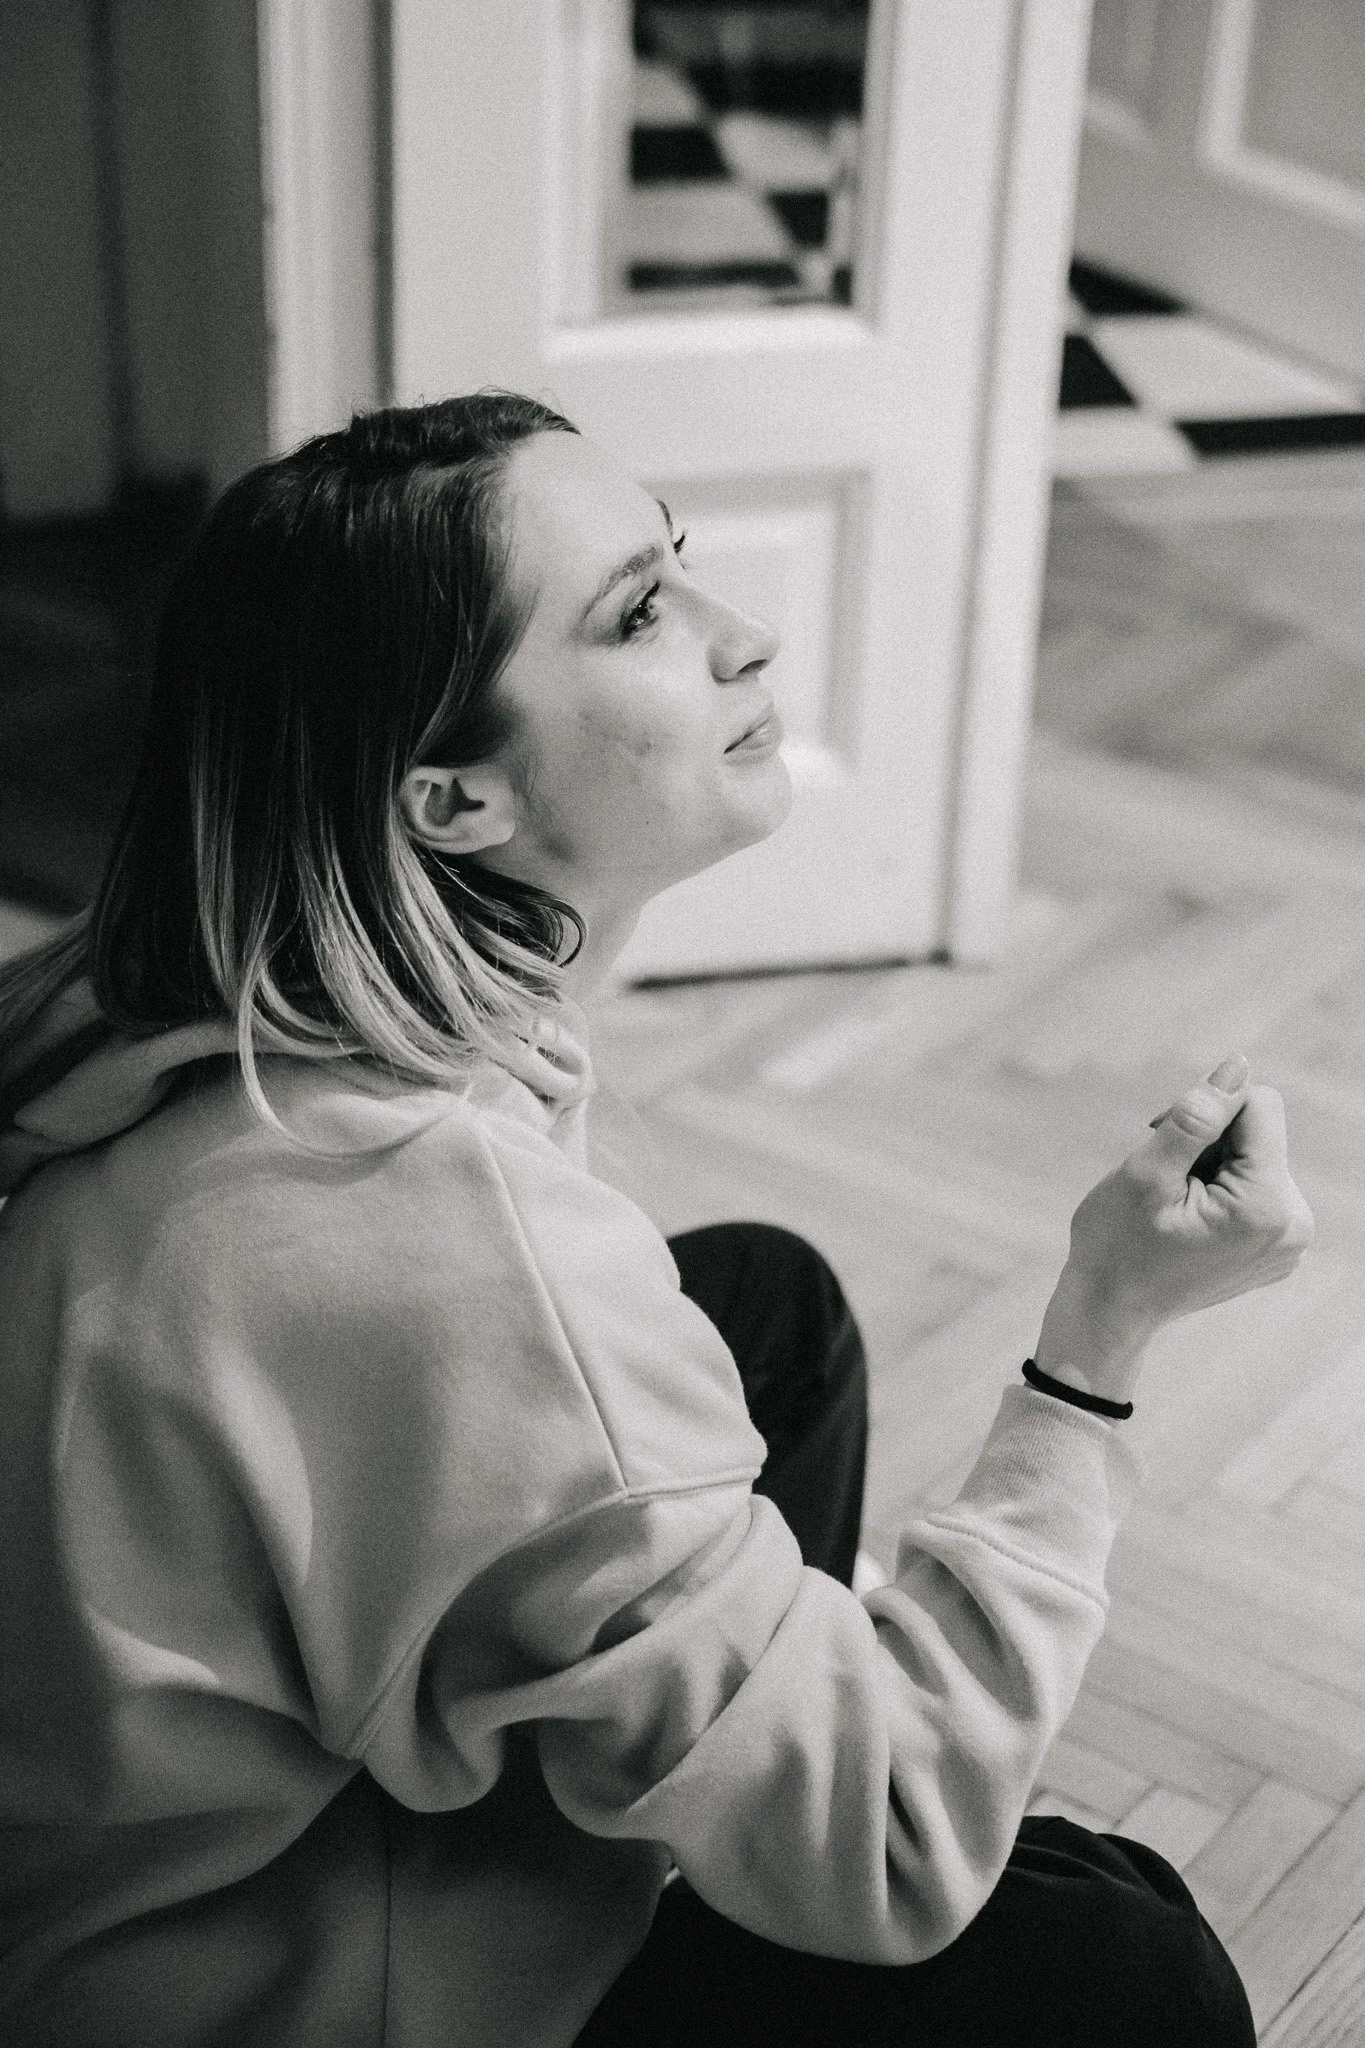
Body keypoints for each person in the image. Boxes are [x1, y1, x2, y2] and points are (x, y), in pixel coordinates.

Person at [0, 395, 1313, 2048]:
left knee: (770, 1314)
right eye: (637, 612)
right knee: (1124, 1966)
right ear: (448, 802)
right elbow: (901, 1853)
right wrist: (1099, 1342)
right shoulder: (431, 1232)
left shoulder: (179, 1008)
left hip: (122, 1884)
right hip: (288, 1989)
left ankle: (731, 1765)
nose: (742, 634)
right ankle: (759, 1785)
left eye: (679, 568)